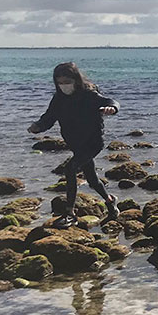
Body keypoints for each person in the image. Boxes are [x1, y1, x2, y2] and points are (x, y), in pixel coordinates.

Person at [28, 62, 120, 228]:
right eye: (60, 83)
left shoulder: (88, 95)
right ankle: (111, 202)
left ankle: (70, 213)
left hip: (92, 142)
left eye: (67, 81)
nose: (64, 86)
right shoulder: (58, 98)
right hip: (75, 143)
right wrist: (38, 126)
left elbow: (110, 101)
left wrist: (111, 108)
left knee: (70, 169)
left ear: (76, 80)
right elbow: (49, 117)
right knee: (92, 179)